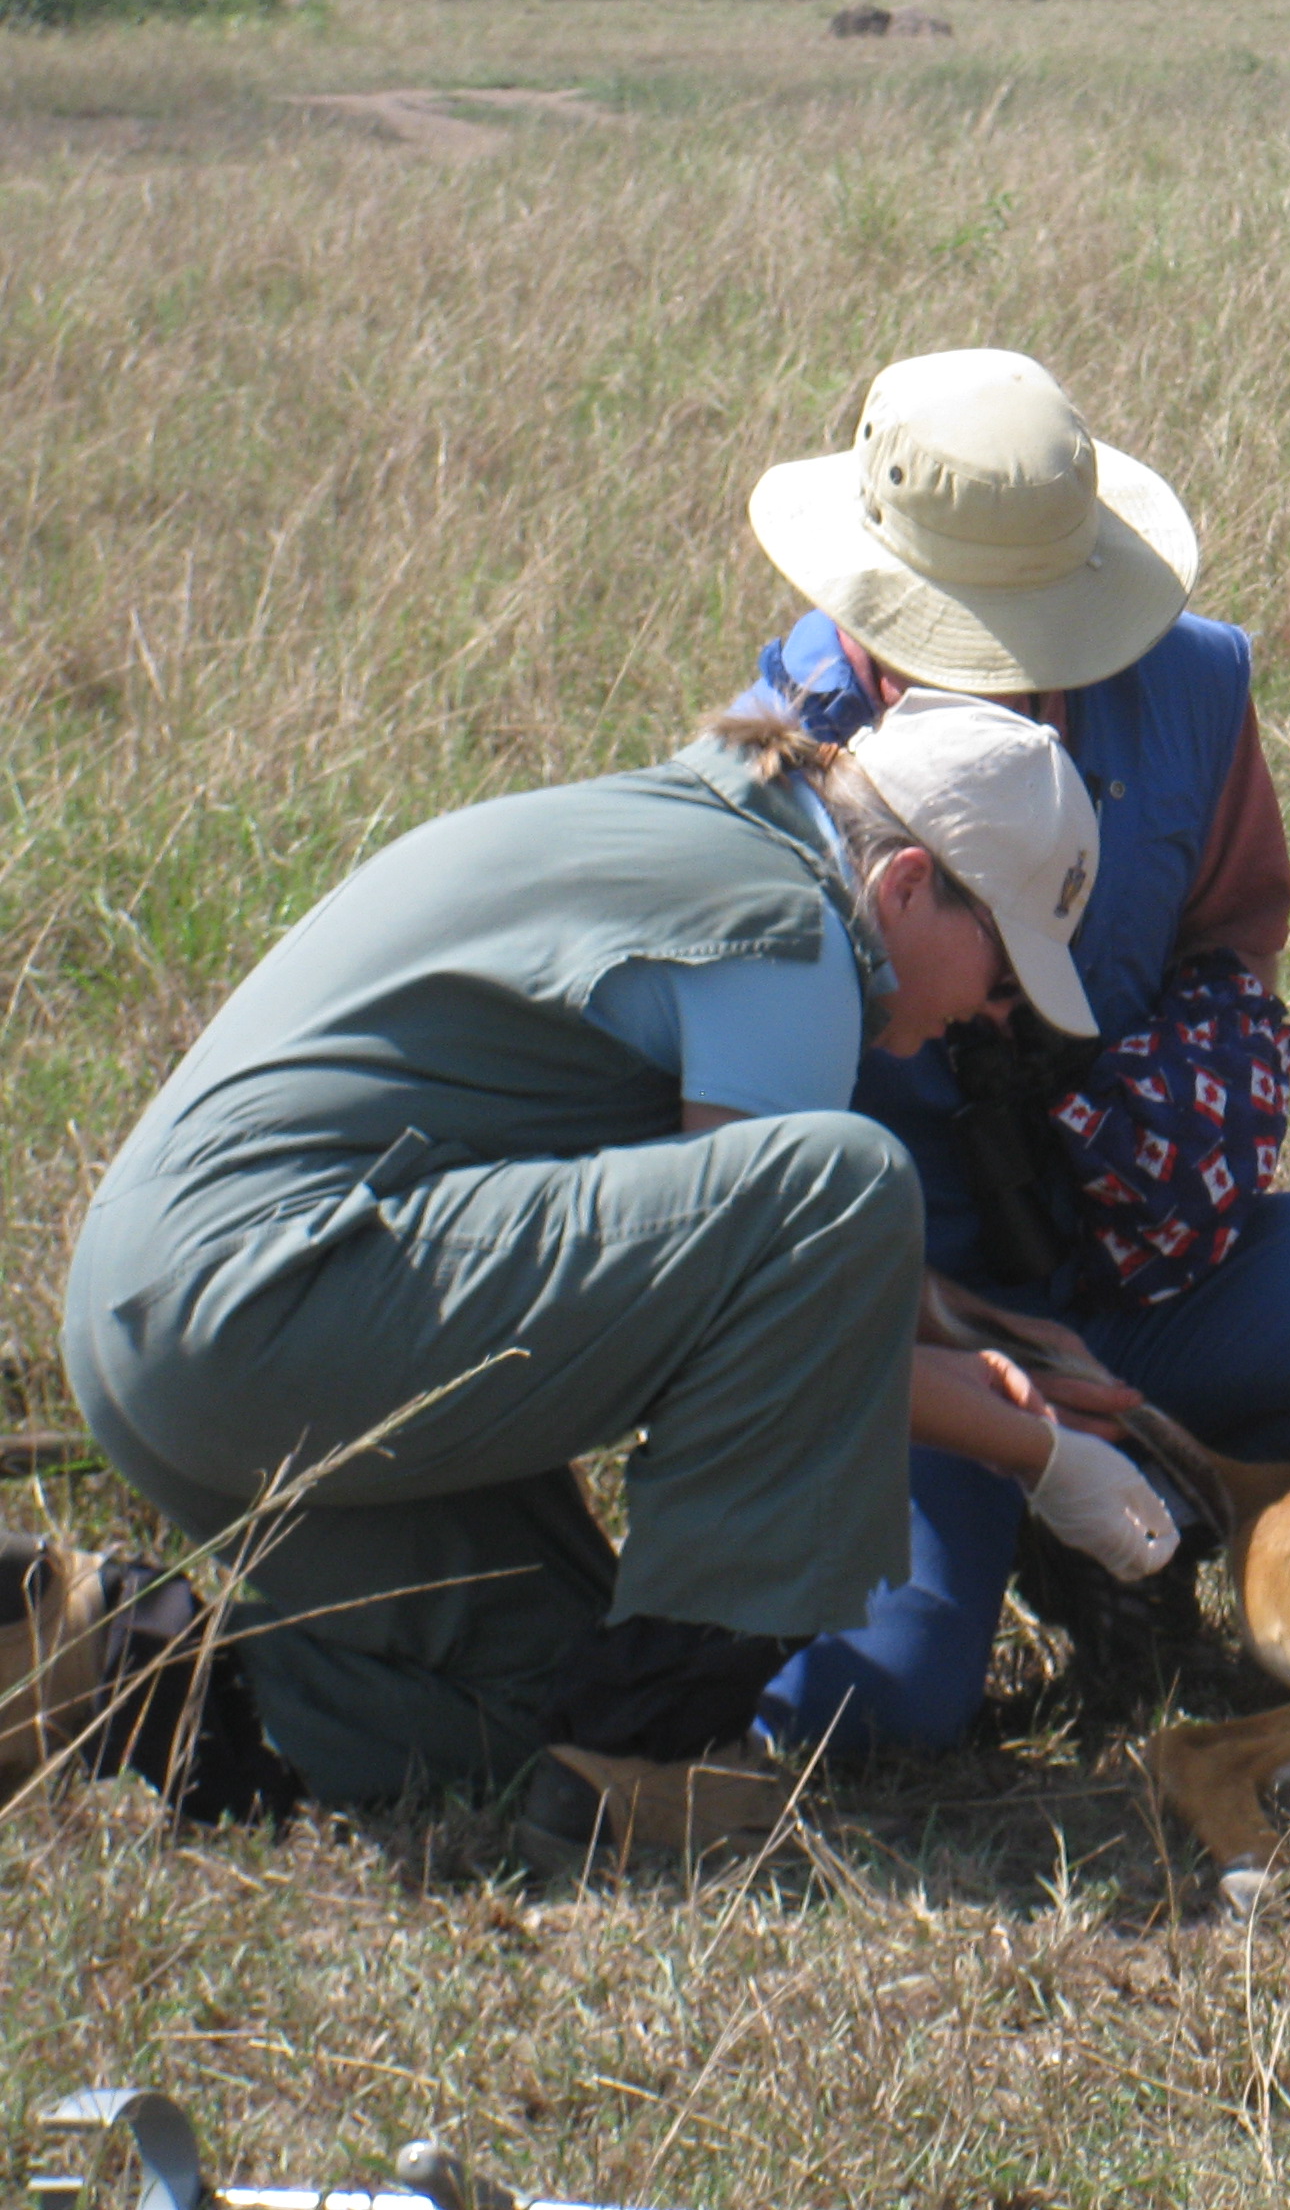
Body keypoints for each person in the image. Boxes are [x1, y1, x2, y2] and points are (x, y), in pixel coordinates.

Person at [51, 690, 1144, 1871]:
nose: (996, 1013)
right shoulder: (790, 937)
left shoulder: (701, 822)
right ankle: (654, 1758)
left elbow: (742, 1273)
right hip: (267, 1307)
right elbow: (787, 1293)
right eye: (1004, 970)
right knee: (848, 1183)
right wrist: (1042, 1458)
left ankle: (99, 1655)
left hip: (165, 1319)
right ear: (909, 885)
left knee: (535, 1707)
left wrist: (964, 1332)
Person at [737, 349, 1290, 1754]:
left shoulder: (1188, 686)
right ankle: (1029, 1518)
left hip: (1138, 1269)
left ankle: (1273, 1533)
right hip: (911, 1318)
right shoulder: (777, 767)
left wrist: (1174, 1133)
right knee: (867, 1719)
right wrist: (989, 1372)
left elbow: (1236, 928)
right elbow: (750, 1207)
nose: (1007, 672)